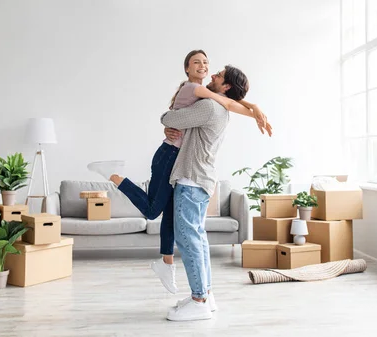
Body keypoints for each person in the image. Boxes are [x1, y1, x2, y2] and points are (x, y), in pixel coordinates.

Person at [109, 50, 271, 295]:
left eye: (209, 65)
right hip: (171, 156)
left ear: (224, 85)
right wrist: (253, 108)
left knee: (173, 220)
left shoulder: (209, 103)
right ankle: (118, 180)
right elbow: (180, 114)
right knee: (156, 212)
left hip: (182, 163)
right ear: (186, 68)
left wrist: (253, 107)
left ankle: (171, 268)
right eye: (197, 62)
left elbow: (224, 100)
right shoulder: (201, 95)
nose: (208, 69)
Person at [160, 65, 250, 321]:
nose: (212, 75)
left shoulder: (209, 107)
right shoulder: (220, 108)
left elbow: (170, 118)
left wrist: (166, 120)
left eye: (219, 75)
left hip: (191, 179)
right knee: (198, 239)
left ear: (227, 87)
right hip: (201, 180)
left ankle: (199, 299)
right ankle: (205, 295)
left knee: (188, 240)